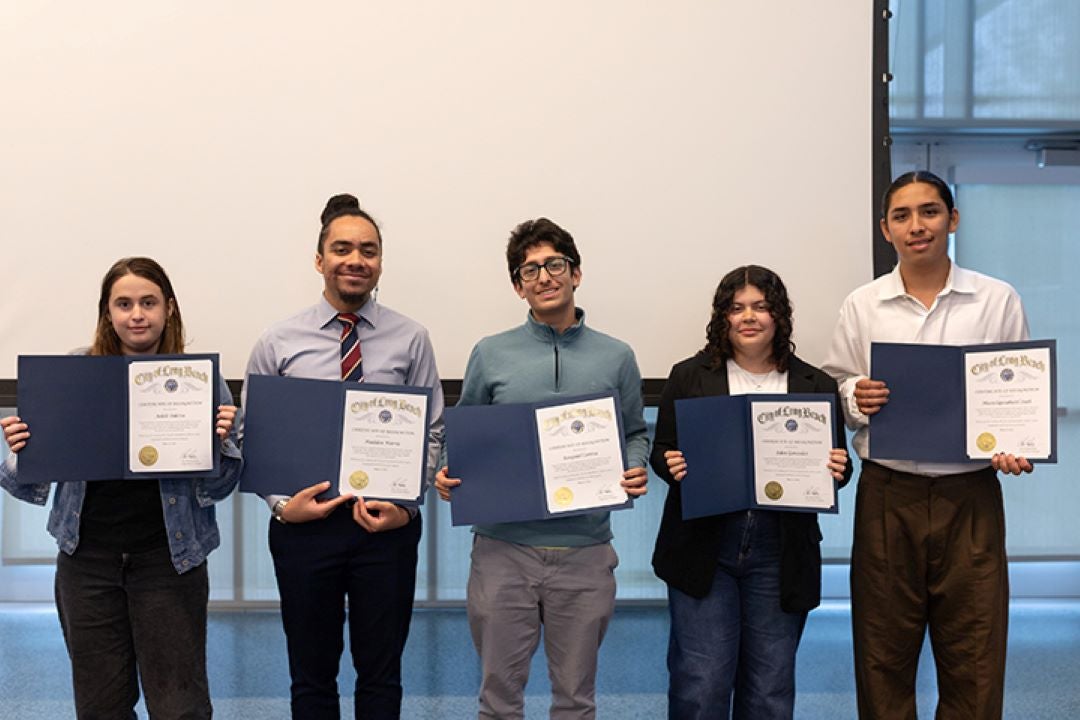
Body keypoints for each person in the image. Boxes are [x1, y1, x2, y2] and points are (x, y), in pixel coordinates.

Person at [821, 171, 1032, 720]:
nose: (917, 226)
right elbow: (837, 387)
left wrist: (1015, 442)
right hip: (889, 496)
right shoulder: (862, 305)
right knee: (882, 655)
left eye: (930, 212)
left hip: (972, 496)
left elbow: (1017, 390)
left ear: (952, 220)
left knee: (976, 655)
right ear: (886, 230)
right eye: (902, 216)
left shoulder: (995, 299)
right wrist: (854, 396)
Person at [0, 256, 242, 720]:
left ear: (168, 309)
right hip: (86, 561)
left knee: (180, 708)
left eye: (148, 303)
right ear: (107, 313)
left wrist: (223, 443)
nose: (137, 314)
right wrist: (21, 449)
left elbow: (223, 486)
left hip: (170, 561)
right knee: (100, 707)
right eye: (124, 303)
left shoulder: (200, 381)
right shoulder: (72, 375)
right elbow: (24, 481)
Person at [433, 217, 649, 720]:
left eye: (555, 264)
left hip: (585, 552)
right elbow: (462, 432)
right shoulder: (490, 353)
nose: (544, 277)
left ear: (576, 273)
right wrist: (447, 471)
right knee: (498, 700)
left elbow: (635, 432)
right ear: (517, 286)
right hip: (503, 552)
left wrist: (634, 466)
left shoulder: (617, 356)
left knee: (576, 701)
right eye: (529, 270)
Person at [242, 194, 444, 720]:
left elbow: (433, 430)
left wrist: (407, 506)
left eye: (369, 250)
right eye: (342, 248)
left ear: (380, 262)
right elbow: (254, 434)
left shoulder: (412, 338)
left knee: (381, 676)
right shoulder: (278, 340)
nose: (356, 259)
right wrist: (283, 507)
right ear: (319, 260)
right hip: (306, 527)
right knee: (311, 678)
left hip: (387, 528)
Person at [650, 265, 851, 720]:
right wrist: (671, 464)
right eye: (736, 308)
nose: (749, 317)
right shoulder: (688, 376)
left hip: (779, 550)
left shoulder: (815, 384)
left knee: (770, 689)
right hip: (704, 546)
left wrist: (840, 469)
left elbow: (835, 467)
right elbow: (662, 450)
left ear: (779, 315)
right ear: (722, 317)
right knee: (700, 685)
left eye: (760, 306)